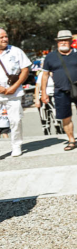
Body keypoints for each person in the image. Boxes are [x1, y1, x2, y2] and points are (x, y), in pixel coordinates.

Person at [39, 30, 77, 150]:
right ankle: (72, 141)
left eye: (66, 40)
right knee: (65, 117)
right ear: (57, 42)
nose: (63, 42)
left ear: (71, 41)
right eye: (61, 40)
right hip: (60, 91)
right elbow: (44, 76)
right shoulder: (50, 56)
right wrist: (43, 93)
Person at [0, 29, 31, 158]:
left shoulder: (16, 51)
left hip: (14, 92)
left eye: (6, 36)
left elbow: (25, 70)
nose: (5, 39)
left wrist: (15, 87)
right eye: (1, 38)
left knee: (16, 120)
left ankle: (16, 146)